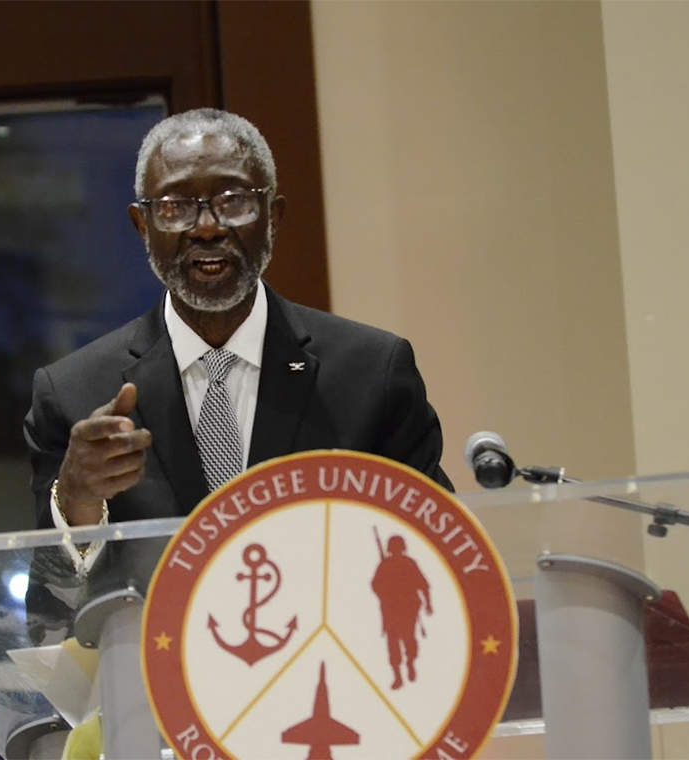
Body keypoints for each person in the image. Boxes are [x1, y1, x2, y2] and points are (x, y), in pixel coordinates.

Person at [24, 108, 452, 535]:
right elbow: (51, 594)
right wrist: (77, 497)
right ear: (142, 226)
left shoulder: (371, 374)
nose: (207, 228)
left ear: (273, 217)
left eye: (234, 202)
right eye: (175, 207)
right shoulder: (73, 395)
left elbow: (435, 546)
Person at [371, 533, 433, 690]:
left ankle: (410, 662)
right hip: (392, 609)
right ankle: (398, 676)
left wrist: (428, 604)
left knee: (408, 639)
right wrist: (385, 594)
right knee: (393, 642)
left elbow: (424, 585)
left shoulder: (409, 564)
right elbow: (375, 585)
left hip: (408, 608)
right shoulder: (385, 565)